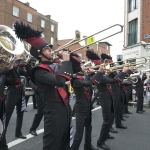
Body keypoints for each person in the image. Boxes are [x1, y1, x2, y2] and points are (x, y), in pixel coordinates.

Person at [14, 21, 73, 150]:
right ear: (39, 53)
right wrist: (67, 61)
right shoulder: (38, 71)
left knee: (65, 144)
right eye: (47, 49)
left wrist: (68, 58)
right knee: (52, 145)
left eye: (51, 48)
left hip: (64, 108)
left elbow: (69, 74)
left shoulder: (54, 66)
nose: (51, 51)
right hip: (53, 110)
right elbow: (59, 81)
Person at [70, 53, 99, 150]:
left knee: (89, 128)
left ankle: (87, 146)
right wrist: (98, 73)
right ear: (77, 68)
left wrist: (93, 73)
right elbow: (90, 83)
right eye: (82, 65)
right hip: (80, 108)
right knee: (79, 134)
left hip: (87, 106)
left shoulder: (84, 76)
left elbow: (93, 82)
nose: (84, 66)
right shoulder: (75, 79)